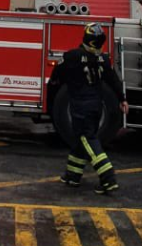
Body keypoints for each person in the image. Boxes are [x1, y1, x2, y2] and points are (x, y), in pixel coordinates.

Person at [49, 23, 128, 194]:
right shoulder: (103, 59)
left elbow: (57, 73)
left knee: (88, 139)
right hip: (96, 107)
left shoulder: (72, 56)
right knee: (80, 141)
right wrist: (122, 99)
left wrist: (54, 83)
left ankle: (108, 179)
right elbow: (113, 80)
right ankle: (73, 175)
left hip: (80, 108)